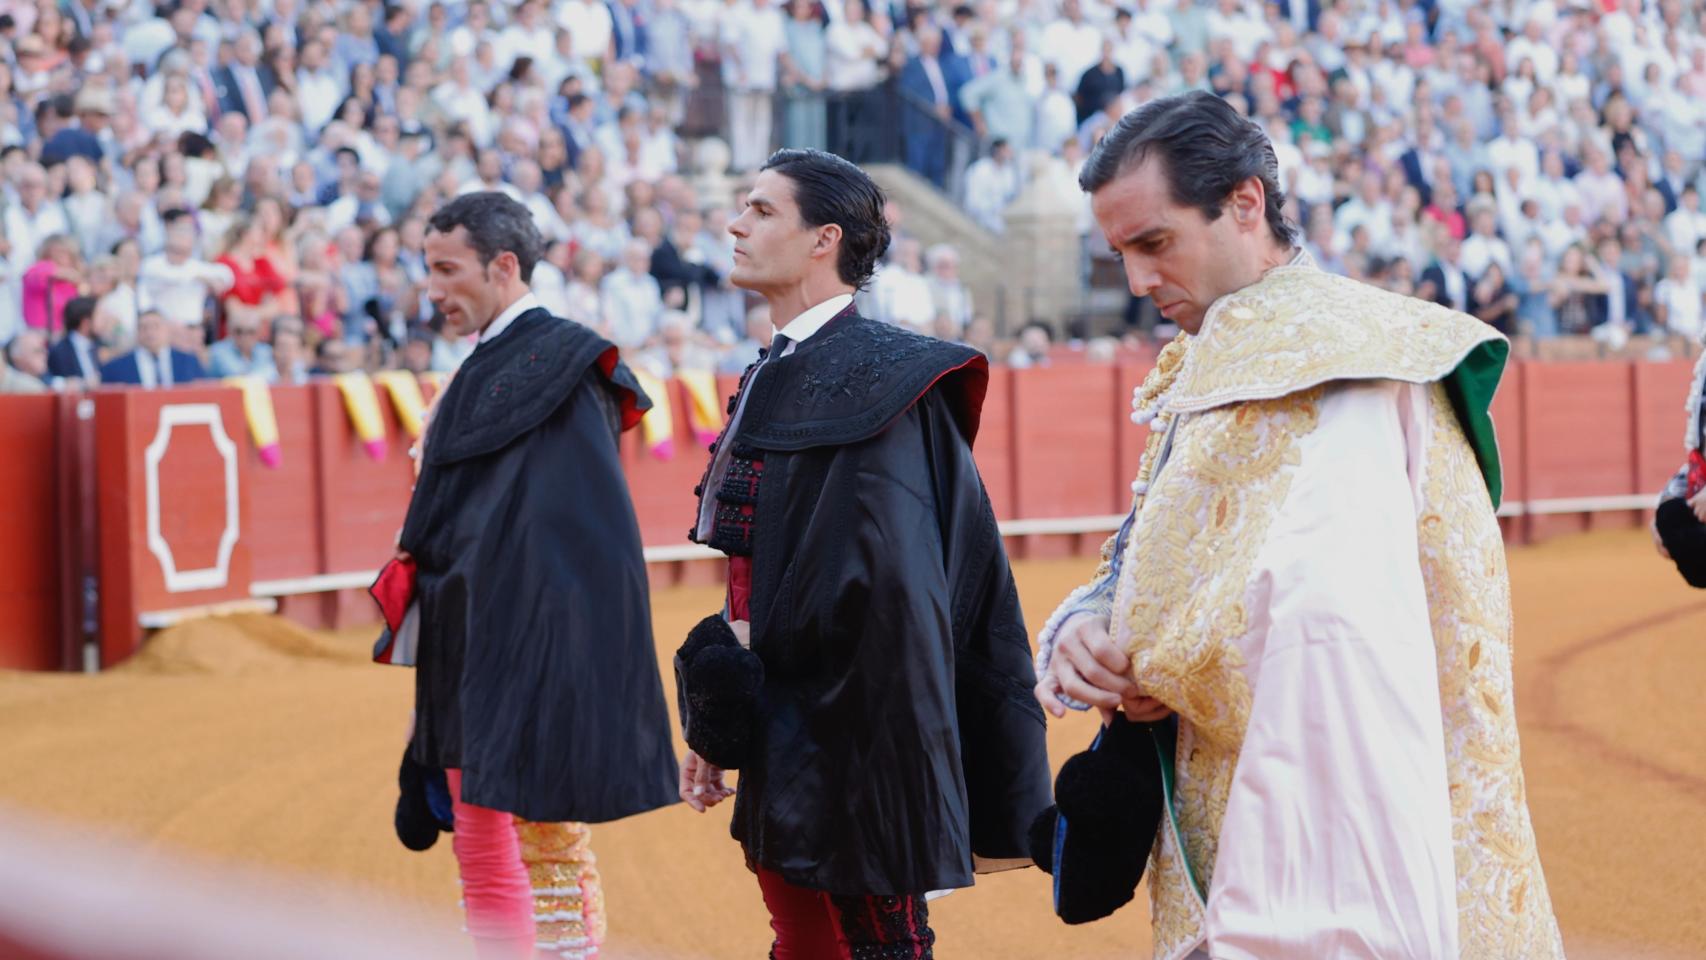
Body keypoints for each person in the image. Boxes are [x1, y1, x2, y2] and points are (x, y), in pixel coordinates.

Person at [1032, 92, 1564, 959]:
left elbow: (1329, 627)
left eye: (1154, 243)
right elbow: (1158, 556)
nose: (1136, 281)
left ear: (1246, 202)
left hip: (1333, 833)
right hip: (1242, 803)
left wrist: (1150, 656)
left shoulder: (1352, 368)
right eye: (1121, 252)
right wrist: (1089, 624)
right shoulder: (1226, 356)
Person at [678, 149, 1050, 959]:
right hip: (790, 725)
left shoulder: (884, 377)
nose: (736, 225)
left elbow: (891, 594)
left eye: (763, 210)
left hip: (862, 737)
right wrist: (719, 716)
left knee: (872, 947)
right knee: (804, 939)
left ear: (825, 240)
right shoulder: (776, 368)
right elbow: (763, 573)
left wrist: (739, 666)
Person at [397, 192, 679, 960]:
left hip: (521, 646)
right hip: (471, 641)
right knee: (490, 846)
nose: (434, 289)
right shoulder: (492, 364)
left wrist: (552, 655)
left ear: (504, 266)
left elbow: (581, 534)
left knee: (536, 847)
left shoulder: (559, 362)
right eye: (429, 270)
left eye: (448, 269)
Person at [100, 310, 205, 387]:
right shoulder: (116, 367)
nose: (150, 333)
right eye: (144, 327)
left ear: (167, 330)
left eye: (156, 326)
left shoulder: (189, 362)